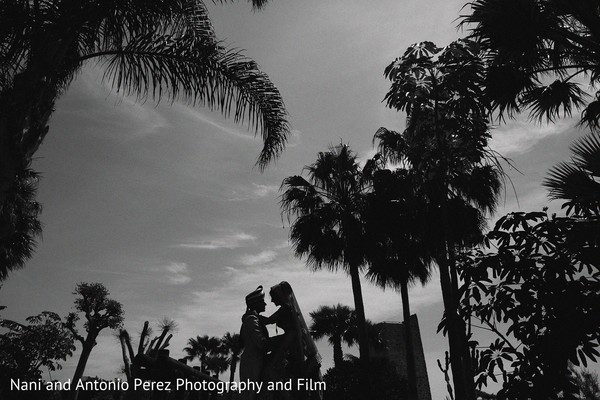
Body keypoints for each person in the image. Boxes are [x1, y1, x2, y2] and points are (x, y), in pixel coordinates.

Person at [263, 281, 323, 400]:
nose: (272, 301)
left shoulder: (285, 310)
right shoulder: (288, 309)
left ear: (279, 296)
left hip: (293, 346)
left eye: (273, 297)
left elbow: (269, 321)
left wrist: (252, 316)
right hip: (295, 346)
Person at [240, 285, 269, 400]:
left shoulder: (255, 319)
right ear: (255, 303)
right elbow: (261, 343)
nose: (265, 304)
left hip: (255, 361)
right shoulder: (251, 320)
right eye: (262, 301)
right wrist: (281, 340)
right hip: (252, 363)